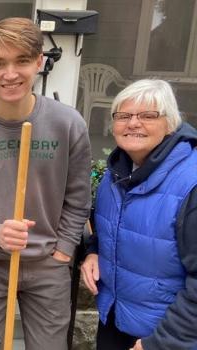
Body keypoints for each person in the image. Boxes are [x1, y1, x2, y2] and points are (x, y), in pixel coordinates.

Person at [0, 18, 91, 350]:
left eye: (22, 61)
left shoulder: (68, 124)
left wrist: (63, 250)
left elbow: (78, 196)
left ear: (39, 62)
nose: (10, 73)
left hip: (47, 263)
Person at [80, 79, 197, 350]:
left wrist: (159, 342)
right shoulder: (118, 173)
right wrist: (94, 250)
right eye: (123, 116)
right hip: (116, 321)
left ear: (171, 123)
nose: (133, 123)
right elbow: (110, 226)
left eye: (147, 115)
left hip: (166, 335)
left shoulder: (190, 184)